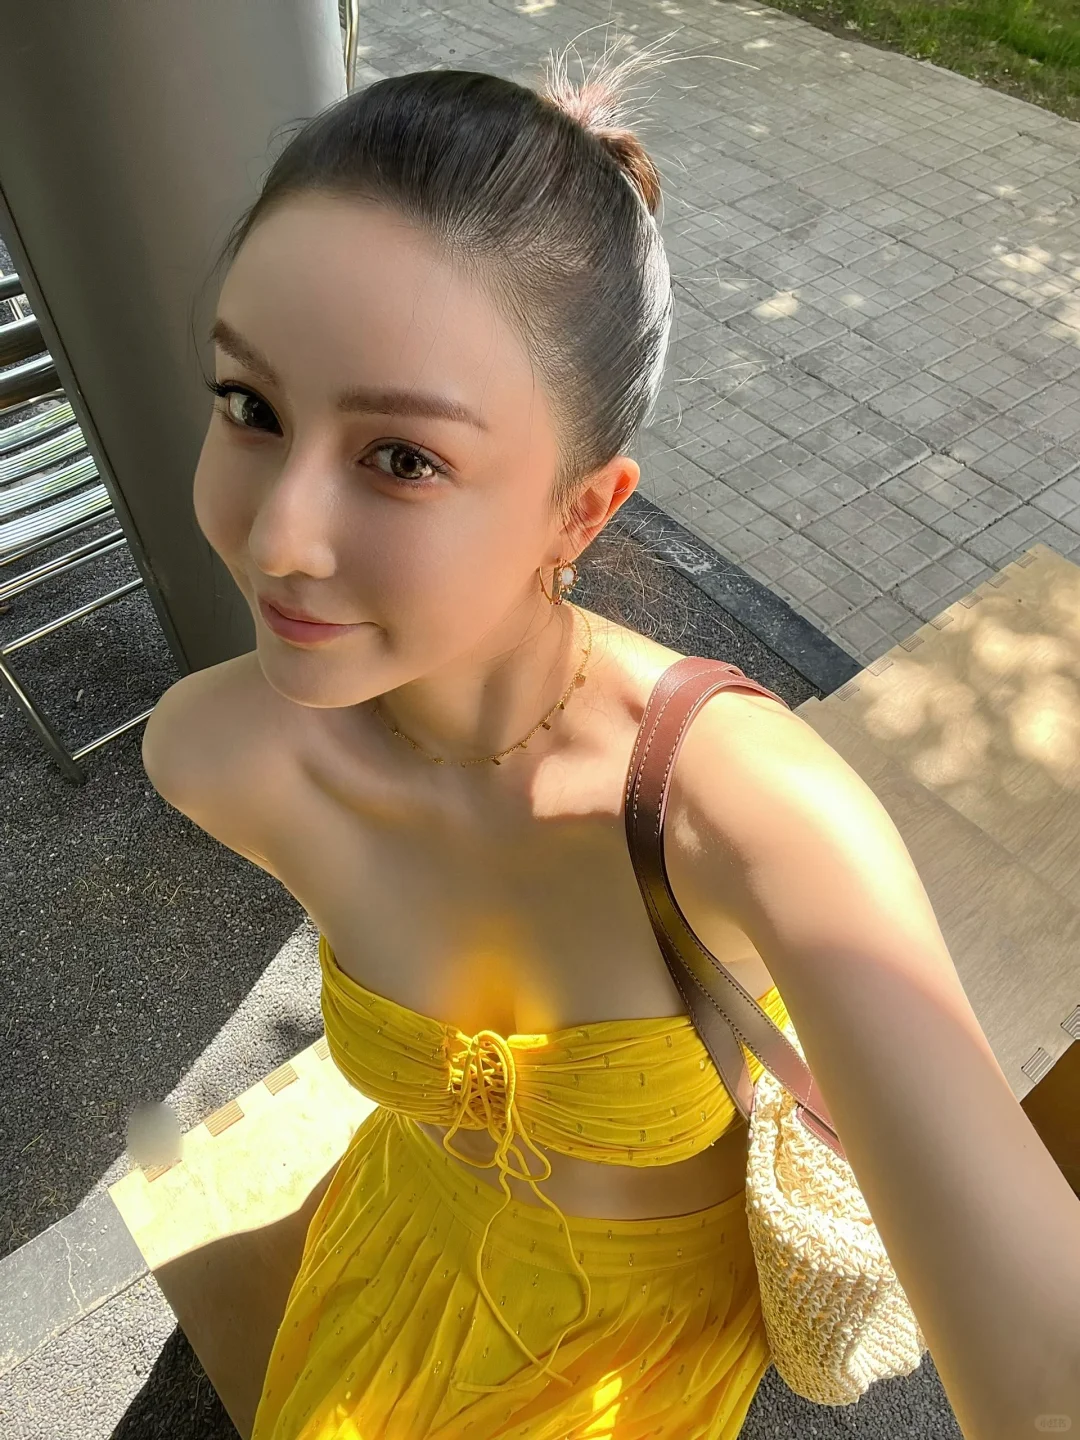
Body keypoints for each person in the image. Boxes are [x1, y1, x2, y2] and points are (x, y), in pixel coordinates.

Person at [141, 38, 1080, 1440]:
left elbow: (1046, 1360)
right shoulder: (225, 758)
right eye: (251, 407)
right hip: (396, 1266)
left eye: (402, 458)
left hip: (639, 1362)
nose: (279, 539)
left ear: (582, 511)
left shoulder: (742, 810)